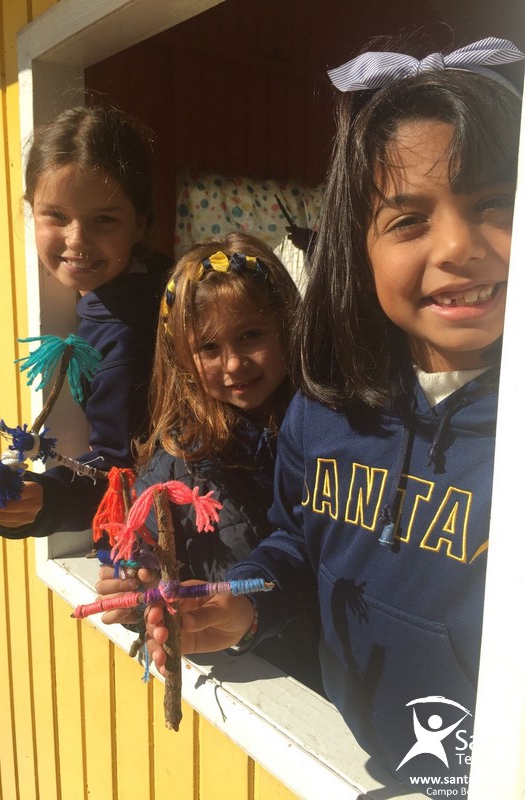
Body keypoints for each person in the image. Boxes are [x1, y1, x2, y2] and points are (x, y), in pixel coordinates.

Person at [144, 35, 523, 783]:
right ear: (359, 248)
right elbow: (295, 543)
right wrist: (240, 600)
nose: (458, 245)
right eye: (408, 220)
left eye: (495, 203)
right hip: (344, 763)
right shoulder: (323, 416)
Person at [97, 232, 323, 691]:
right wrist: (138, 585)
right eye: (209, 348)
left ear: (288, 325)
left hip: (342, 671)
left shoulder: (329, 429)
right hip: (259, 680)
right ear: (182, 358)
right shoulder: (177, 465)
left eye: (251, 335)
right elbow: (144, 557)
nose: (234, 364)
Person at [0, 105, 171, 536]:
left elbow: (123, 473)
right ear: (30, 209)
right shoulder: (154, 284)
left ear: (141, 224)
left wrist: (49, 500)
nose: (77, 240)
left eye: (104, 220)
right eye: (56, 216)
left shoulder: (125, 334)